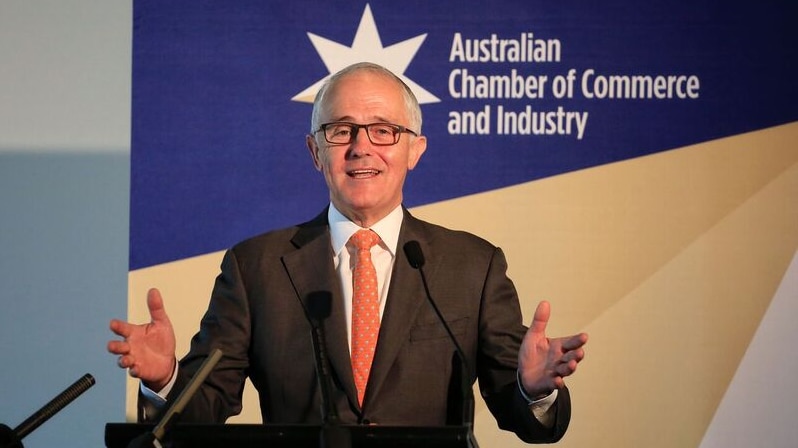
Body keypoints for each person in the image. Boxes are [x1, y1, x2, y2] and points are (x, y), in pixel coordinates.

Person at [108, 62, 588, 443]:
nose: (362, 147)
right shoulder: (256, 268)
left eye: (383, 130)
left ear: (415, 150)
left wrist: (534, 390)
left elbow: (525, 418)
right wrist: (167, 379)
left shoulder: (472, 267)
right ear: (316, 151)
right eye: (341, 130)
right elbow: (200, 413)